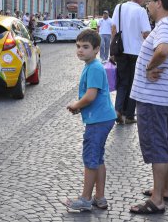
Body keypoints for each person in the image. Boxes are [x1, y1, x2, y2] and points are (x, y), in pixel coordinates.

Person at [129, 0, 168, 214]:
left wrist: (148, 67)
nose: (149, 5)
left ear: (159, 3)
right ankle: (164, 189)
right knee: (166, 142)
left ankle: (156, 200)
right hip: (164, 96)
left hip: (154, 98)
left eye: (150, 1)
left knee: (158, 146)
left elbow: (163, 50)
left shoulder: (164, 26)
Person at [64, 29, 116, 211]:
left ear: (96, 49)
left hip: (98, 121)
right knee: (98, 158)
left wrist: (77, 105)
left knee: (91, 159)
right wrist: (80, 107)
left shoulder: (93, 67)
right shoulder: (91, 65)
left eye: (85, 47)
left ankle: (86, 199)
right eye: (78, 46)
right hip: (103, 118)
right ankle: (100, 197)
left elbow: (91, 96)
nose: (80, 50)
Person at [111, 0, 151, 124]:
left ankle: (118, 110)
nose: (145, 2)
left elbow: (113, 29)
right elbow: (146, 33)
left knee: (122, 82)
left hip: (121, 50)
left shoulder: (119, 7)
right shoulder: (141, 11)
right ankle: (129, 115)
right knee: (134, 83)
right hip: (136, 52)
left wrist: (113, 50)